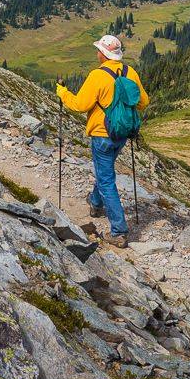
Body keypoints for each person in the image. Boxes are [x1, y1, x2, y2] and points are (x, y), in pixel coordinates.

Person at [55, 33, 146, 246]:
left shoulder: (98, 76)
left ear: (103, 54)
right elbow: (143, 102)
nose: (97, 53)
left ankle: (118, 231)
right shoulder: (130, 72)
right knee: (104, 170)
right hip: (122, 133)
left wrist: (62, 92)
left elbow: (79, 105)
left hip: (101, 133)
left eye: (98, 50)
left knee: (106, 179)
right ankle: (95, 203)